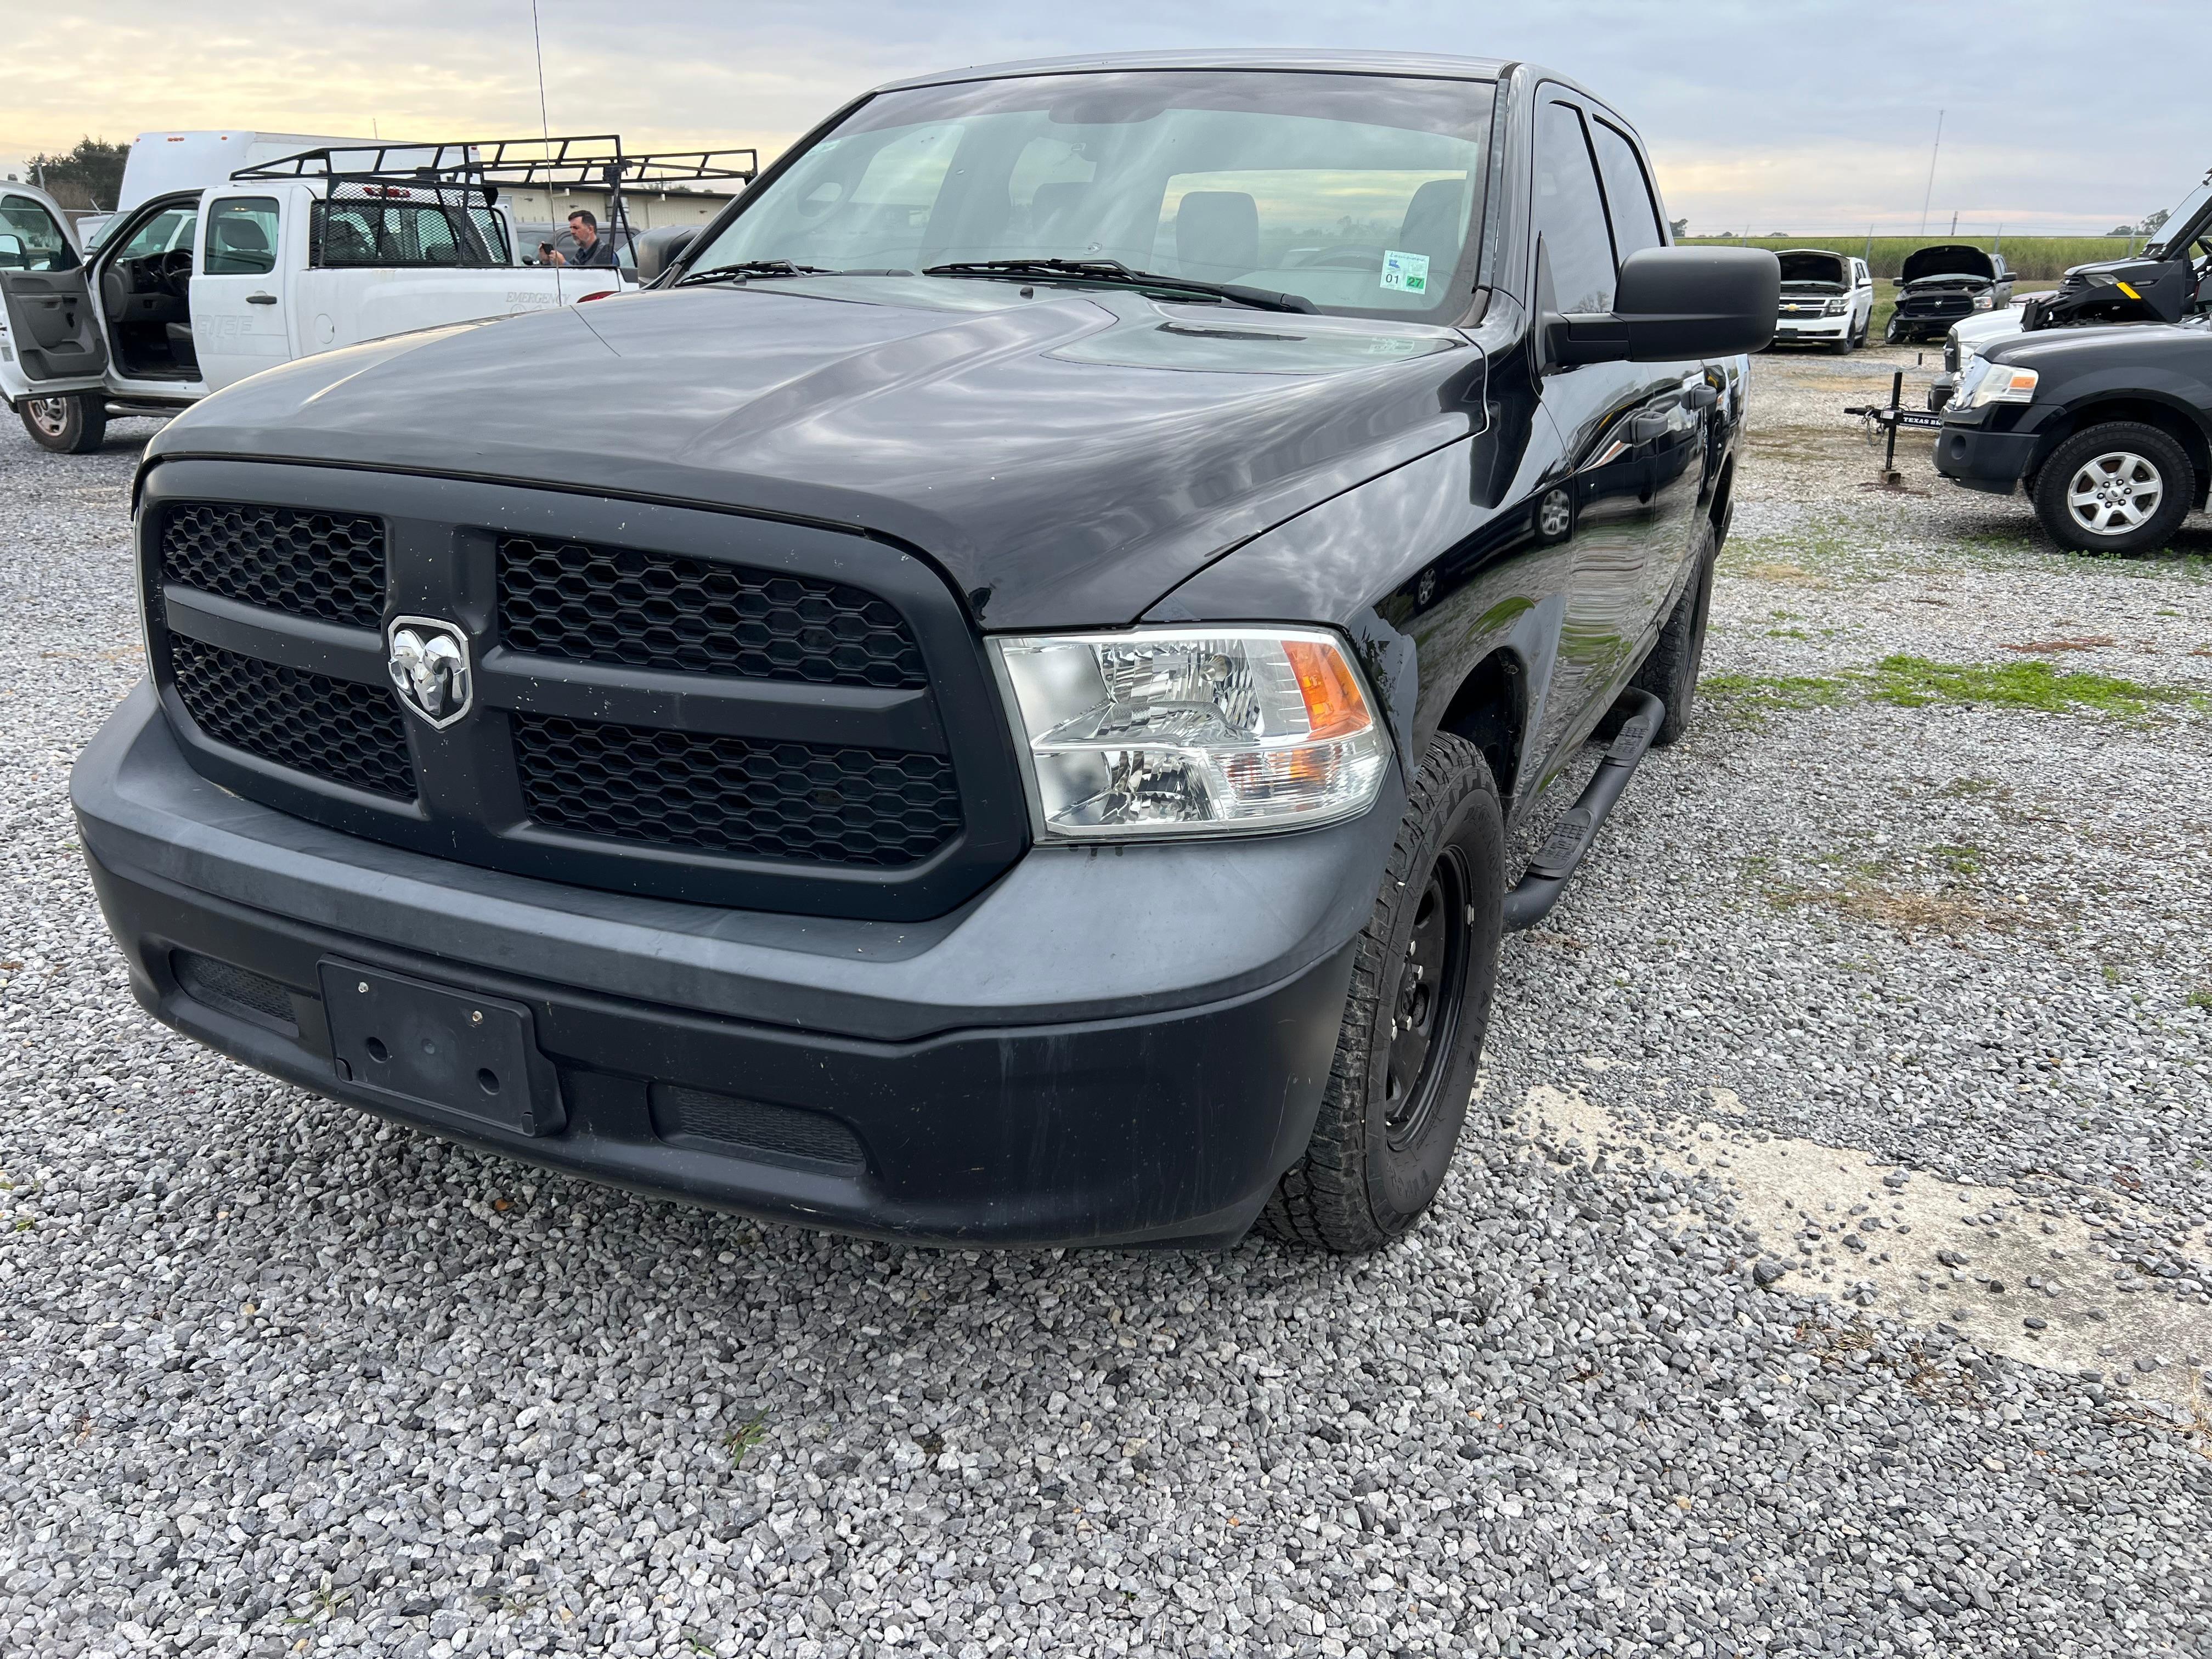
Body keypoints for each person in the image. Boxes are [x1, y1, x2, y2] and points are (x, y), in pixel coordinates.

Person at [549, 209, 616, 267]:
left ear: (590, 229)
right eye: (571, 228)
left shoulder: (606, 255)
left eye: (576, 228)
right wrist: (547, 262)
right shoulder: (581, 254)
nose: (572, 232)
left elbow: (594, 280)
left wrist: (563, 264)